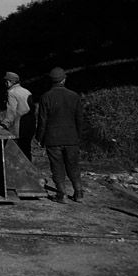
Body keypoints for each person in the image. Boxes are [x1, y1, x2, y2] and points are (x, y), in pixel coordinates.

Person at [37, 67, 84, 203]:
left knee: (57, 166)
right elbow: (79, 119)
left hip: (53, 138)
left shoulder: (46, 97)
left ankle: (62, 194)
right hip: (71, 138)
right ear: (64, 79)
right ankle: (79, 193)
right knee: (73, 165)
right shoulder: (74, 96)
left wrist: (40, 138)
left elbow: (42, 120)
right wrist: (78, 136)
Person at [0, 71, 33, 160]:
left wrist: (4, 124)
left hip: (18, 127)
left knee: (17, 153)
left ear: (9, 82)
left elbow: (11, 112)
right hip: (29, 126)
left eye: (6, 81)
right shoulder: (27, 91)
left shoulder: (11, 92)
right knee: (26, 150)